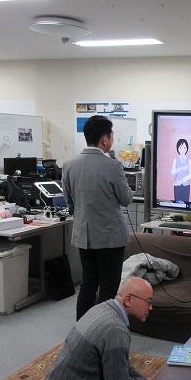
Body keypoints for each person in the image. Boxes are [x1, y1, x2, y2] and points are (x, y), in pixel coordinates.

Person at [45, 276, 154, 380]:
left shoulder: (103, 308)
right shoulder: (115, 329)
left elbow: (122, 366)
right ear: (129, 300)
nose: (151, 307)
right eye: (148, 301)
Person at [63, 115, 133, 320]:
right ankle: (102, 331)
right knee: (108, 288)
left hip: (84, 236)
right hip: (110, 238)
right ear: (105, 139)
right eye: (112, 135)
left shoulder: (69, 164)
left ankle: (83, 329)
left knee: (88, 283)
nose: (112, 139)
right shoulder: (112, 166)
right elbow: (126, 199)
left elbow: (69, 202)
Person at [171, 138, 191, 202]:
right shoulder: (175, 160)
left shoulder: (189, 161)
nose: (182, 150)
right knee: (177, 203)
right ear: (178, 148)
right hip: (177, 185)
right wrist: (181, 168)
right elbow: (173, 172)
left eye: (184, 148)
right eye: (180, 147)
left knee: (186, 203)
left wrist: (182, 181)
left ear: (187, 149)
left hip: (186, 185)